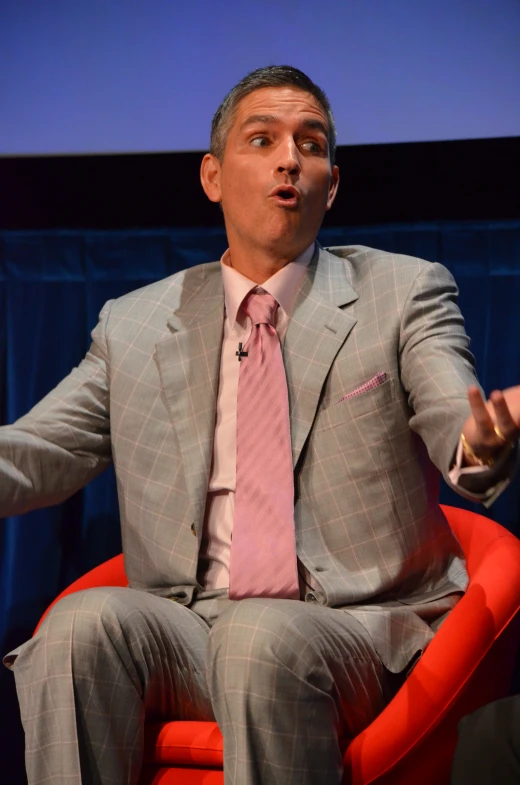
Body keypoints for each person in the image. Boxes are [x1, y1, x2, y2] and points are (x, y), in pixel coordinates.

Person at [1, 65, 519, 785]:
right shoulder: (137, 324)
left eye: (311, 145)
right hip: (187, 624)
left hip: (355, 627)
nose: (289, 159)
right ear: (212, 176)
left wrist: (481, 441)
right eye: (263, 139)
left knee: (258, 636)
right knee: (77, 628)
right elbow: (33, 453)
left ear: (330, 186)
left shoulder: (401, 291)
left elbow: (453, 415)